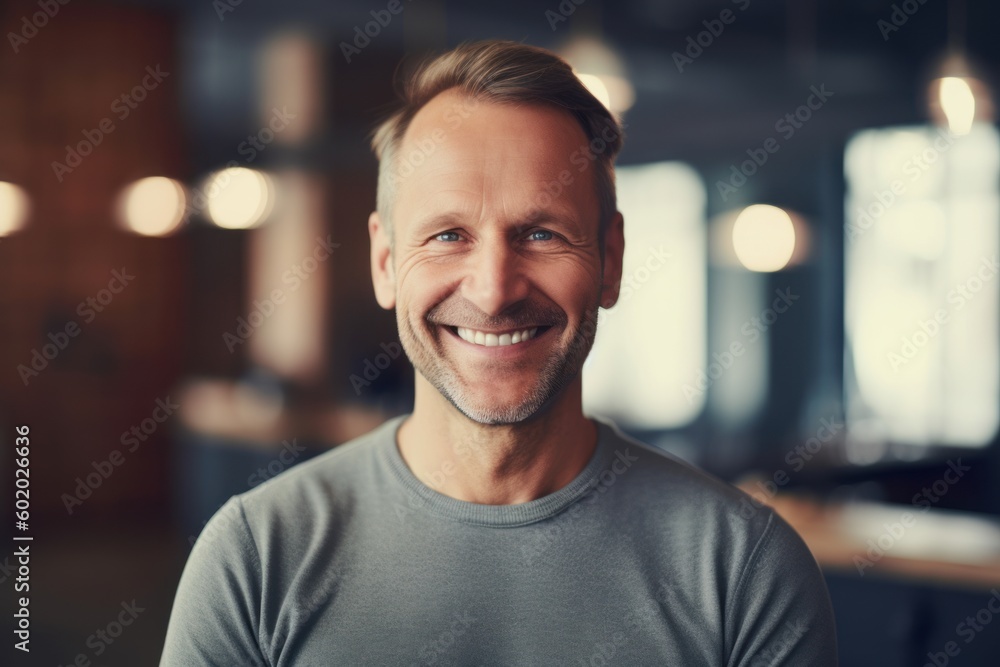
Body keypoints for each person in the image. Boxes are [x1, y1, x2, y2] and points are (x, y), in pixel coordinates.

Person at [160, 39, 838, 665]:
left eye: (541, 233)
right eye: (448, 234)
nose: (493, 291)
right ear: (385, 261)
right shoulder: (255, 555)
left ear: (610, 259)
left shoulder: (745, 570)